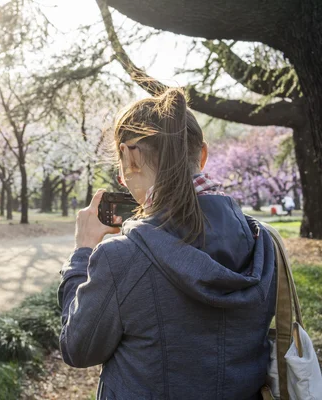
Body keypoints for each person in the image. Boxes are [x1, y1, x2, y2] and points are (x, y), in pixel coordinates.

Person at [59, 88, 276, 399]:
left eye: (121, 166)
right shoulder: (263, 243)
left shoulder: (120, 258)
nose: (122, 180)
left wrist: (82, 254)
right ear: (202, 154)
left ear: (130, 157)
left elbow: (77, 348)